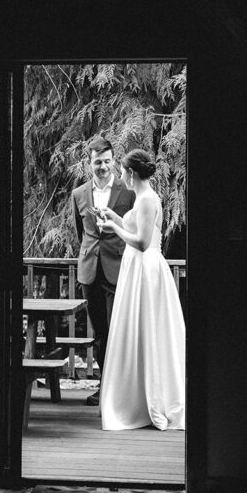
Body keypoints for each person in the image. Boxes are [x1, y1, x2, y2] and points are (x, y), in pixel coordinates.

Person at [98, 148, 185, 430]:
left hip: (146, 270)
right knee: (137, 332)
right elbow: (134, 227)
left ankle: (152, 400)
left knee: (148, 330)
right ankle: (135, 395)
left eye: (122, 170)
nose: (119, 175)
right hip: (136, 269)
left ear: (131, 173)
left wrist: (113, 225)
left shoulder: (148, 199)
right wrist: (114, 215)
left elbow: (142, 242)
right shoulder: (141, 199)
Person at [72, 135, 135, 405]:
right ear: (90, 163)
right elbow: (81, 233)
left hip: (117, 268)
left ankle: (120, 389)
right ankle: (104, 386)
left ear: (113, 161)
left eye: (108, 161)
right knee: (99, 331)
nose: (103, 167)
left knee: (116, 329)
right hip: (90, 270)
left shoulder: (127, 192)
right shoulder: (78, 194)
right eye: (98, 162)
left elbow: (132, 229)